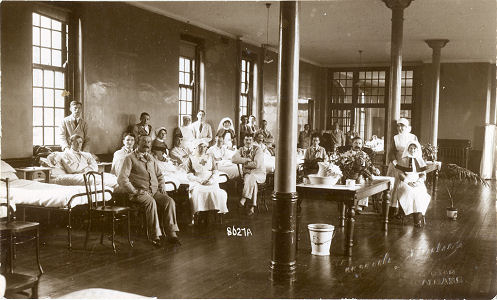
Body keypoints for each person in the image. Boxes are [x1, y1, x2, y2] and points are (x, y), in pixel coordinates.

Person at [118, 135, 180, 247]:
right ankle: (155, 236)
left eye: (148, 142)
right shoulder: (130, 158)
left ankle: (172, 233)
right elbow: (122, 179)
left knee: (169, 201)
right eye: (144, 141)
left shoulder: (151, 158)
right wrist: (135, 191)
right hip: (139, 193)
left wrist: (162, 187)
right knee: (150, 202)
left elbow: (160, 175)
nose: (147, 144)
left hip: (154, 192)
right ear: (138, 142)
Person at [186, 141, 228, 222]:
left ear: (206, 148)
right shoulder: (191, 157)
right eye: (200, 146)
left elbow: (215, 170)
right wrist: (200, 180)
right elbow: (189, 174)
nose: (202, 149)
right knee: (197, 193)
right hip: (198, 181)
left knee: (215, 193)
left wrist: (211, 180)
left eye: (204, 147)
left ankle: (214, 213)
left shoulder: (210, 156)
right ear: (196, 147)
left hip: (210, 181)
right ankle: (199, 214)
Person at [394, 141, 431, 227]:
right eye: (411, 148)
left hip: (417, 182)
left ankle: (417, 219)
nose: (412, 150)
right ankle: (410, 216)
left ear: (417, 149)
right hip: (405, 182)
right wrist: (408, 182)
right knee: (409, 192)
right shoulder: (403, 160)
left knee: (420, 193)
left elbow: (423, 174)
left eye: (414, 148)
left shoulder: (420, 160)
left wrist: (418, 182)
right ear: (408, 149)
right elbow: (400, 173)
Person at [387, 118, 419, 215]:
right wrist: (395, 163)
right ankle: (392, 210)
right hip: (397, 165)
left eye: (402, 126)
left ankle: (405, 210)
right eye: (398, 126)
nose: (400, 128)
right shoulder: (395, 138)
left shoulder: (413, 137)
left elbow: (417, 151)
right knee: (394, 186)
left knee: (407, 186)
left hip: (410, 165)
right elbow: (391, 153)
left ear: (407, 127)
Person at [231, 134, 266, 216]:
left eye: (250, 140)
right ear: (243, 141)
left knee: (252, 177)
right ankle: (252, 207)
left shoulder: (258, 149)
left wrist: (244, 164)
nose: (248, 142)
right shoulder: (241, 149)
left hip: (259, 173)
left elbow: (256, 165)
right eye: (246, 140)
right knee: (252, 181)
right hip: (248, 174)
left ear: (253, 141)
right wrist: (246, 159)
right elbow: (234, 159)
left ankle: (243, 200)